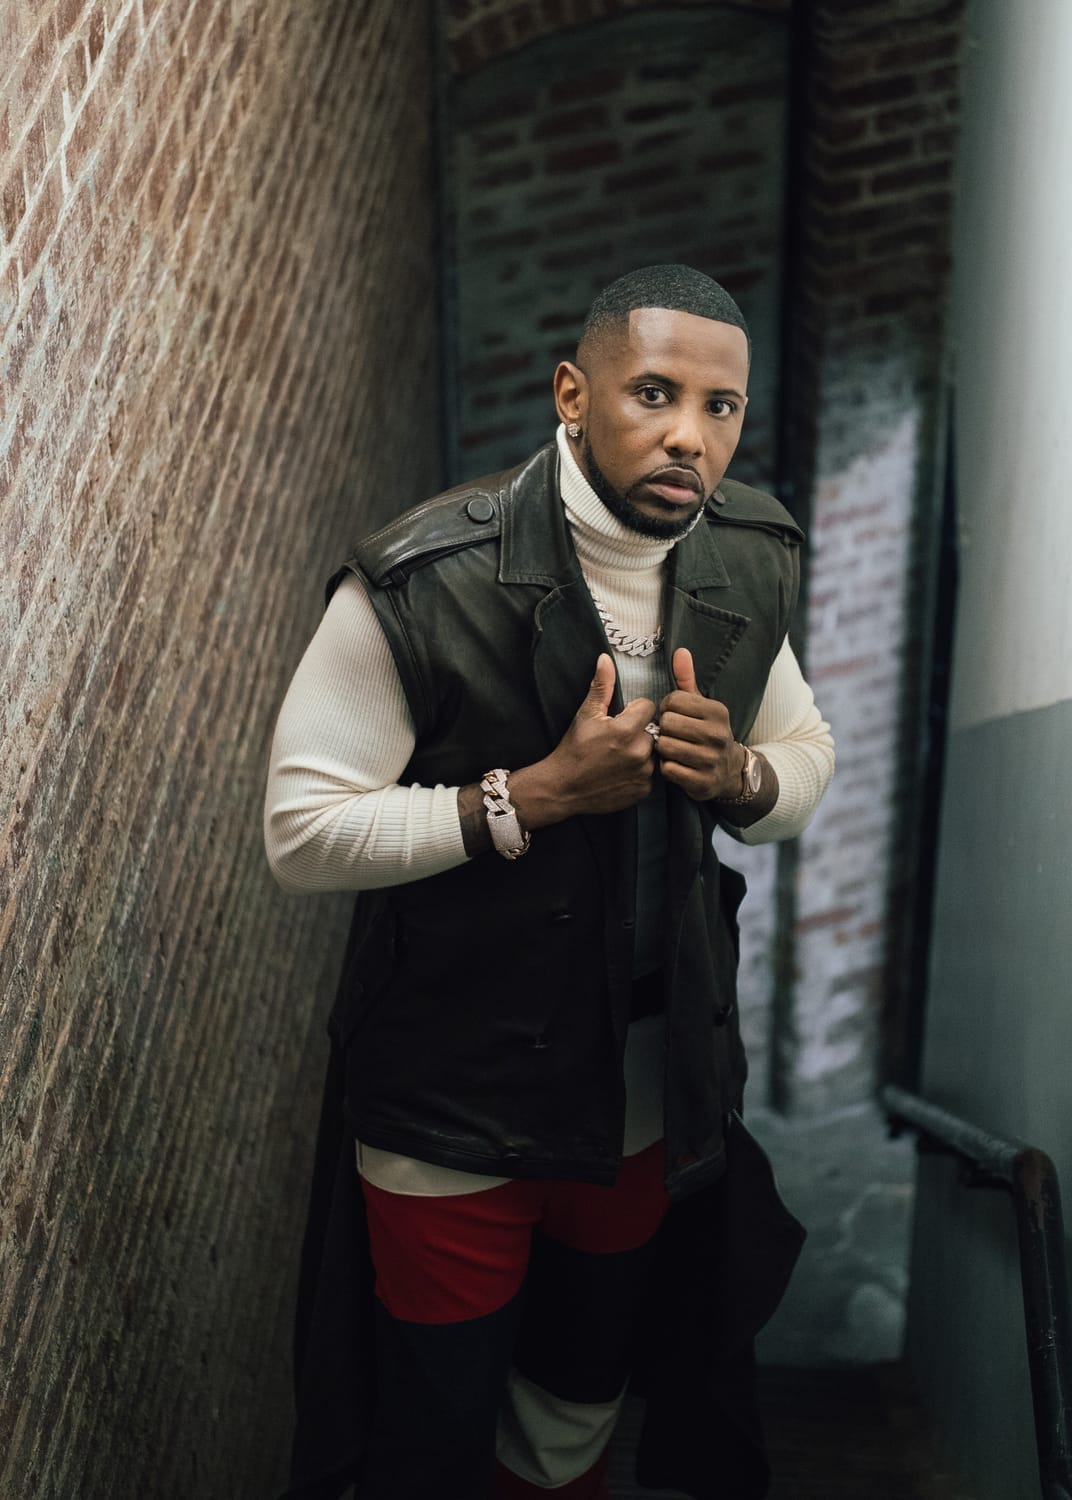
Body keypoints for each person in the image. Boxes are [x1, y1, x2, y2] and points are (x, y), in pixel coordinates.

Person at [265, 264, 834, 1500]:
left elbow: (805, 756)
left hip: (639, 1099)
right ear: (573, 394)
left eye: (721, 407)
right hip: (448, 1103)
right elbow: (300, 833)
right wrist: (529, 798)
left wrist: (739, 774)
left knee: (573, 1411)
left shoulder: (748, 555)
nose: (690, 435)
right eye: (653, 392)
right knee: (429, 1434)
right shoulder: (421, 581)